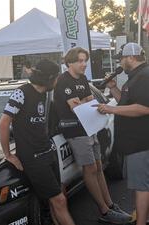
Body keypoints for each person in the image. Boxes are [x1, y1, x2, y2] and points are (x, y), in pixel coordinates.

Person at [54, 47, 131, 224]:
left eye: (85, 60)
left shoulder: (82, 78)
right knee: (89, 169)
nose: (84, 64)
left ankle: (110, 205)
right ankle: (104, 211)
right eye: (80, 61)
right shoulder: (63, 81)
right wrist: (84, 102)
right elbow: (77, 107)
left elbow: (89, 101)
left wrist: (84, 102)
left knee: (98, 167)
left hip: (89, 127)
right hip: (75, 131)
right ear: (69, 63)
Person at [0, 59, 76, 225]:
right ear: (49, 78)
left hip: (48, 152)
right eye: (56, 78)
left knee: (58, 198)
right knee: (59, 200)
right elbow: (3, 122)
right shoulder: (21, 93)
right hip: (33, 158)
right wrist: (8, 154)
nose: (57, 81)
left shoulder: (45, 94)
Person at [97, 42, 149, 225]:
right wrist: (113, 87)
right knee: (139, 185)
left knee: (141, 186)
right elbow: (125, 104)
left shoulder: (144, 76)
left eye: (121, 59)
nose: (120, 63)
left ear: (131, 58)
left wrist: (110, 110)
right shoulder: (135, 76)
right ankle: (140, 217)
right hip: (134, 144)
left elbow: (143, 108)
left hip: (140, 143)